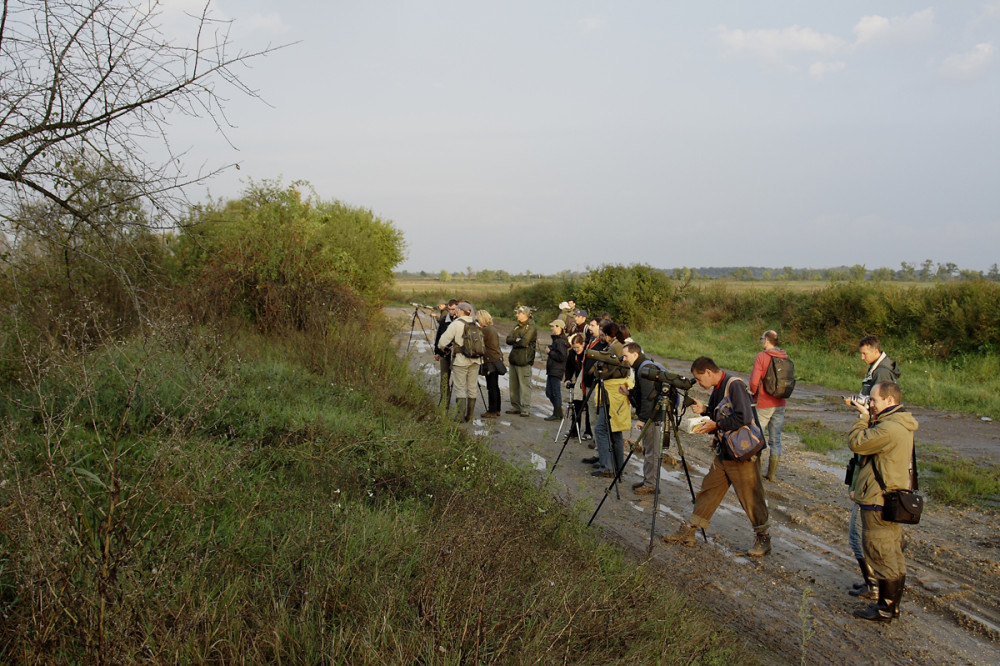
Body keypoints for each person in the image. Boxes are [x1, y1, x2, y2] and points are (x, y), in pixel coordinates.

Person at [664, 357, 771, 557]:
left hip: (743, 454)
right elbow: (719, 416)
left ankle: (763, 539)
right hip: (725, 452)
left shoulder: (735, 385)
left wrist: (717, 426)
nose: (698, 383)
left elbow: (743, 417)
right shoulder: (717, 388)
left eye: (699, 378)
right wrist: (704, 410)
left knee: (751, 496)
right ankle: (690, 531)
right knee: (708, 490)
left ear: (709, 372)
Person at [848, 381, 917, 623]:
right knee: (892, 554)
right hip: (890, 498)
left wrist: (862, 417)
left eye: (875, 400)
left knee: (880, 552)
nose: (872, 404)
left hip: (878, 498)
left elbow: (857, 442)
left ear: (890, 400)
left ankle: (885, 608)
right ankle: (890, 606)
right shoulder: (899, 424)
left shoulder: (888, 429)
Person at [843, 334, 902, 599]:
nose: (862, 357)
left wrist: (863, 415)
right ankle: (874, 586)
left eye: (865, 353)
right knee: (870, 539)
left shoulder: (884, 373)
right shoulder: (876, 370)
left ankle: (876, 589)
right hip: (872, 477)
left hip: (874, 491)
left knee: (863, 537)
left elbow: (859, 444)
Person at [622, 342, 663, 495]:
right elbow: (642, 393)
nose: (624, 359)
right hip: (651, 415)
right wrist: (629, 393)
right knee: (649, 449)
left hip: (653, 416)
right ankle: (648, 480)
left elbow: (648, 398)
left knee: (652, 450)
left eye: (626, 356)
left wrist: (642, 419)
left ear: (635, 354)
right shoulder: (641, 367)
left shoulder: (645, 369)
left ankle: (651, 484)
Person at [590, 321, 630, 478]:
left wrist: (597, 370)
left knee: (601, 429)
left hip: (612, 392)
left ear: (607, 335)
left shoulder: (614, 347)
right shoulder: (622, 345)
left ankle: (606, 466)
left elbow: (608, 371)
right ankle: (617, 466)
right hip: (618, 393)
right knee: (615, 431)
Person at [749, 330, 789, 482]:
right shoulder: (785, 356)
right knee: (775, 439)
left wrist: (752, 392)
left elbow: (754, 381)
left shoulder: (762, 357)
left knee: (757, 436)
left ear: (766, 340)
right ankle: (771, 474)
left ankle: (755, 471)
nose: (761, 341)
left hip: (764, 402)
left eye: (762, 339)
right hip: (780, 402)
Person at [436, 301, 484, 422]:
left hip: (461, 360)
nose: (455, 311)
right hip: (476, 360)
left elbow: (442, 341)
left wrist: (443, 348)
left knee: (460, 387)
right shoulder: (476, 323)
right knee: (472, 387)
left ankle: (460, 416)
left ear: (462, 311)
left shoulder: (456, 324)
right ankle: (470, 415)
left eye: (457, 310)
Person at [506, 306, 537, 417]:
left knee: (525, 385)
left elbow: (524, 342)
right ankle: (516, 407)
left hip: (524, 360)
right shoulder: (517, 326)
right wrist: (516, 340)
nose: (517, 315)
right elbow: (508, 339)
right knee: (513, 385)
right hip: (514, 359)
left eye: (519, 313)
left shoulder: (531, 327)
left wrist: (517, 341)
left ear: (525, 314)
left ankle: (525, 408)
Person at [477, 309, 505, 418]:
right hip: (496, 359)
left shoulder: (486, 330)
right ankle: (497, 409)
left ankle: (492, 410)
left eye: (478, 319)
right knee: (495, 386)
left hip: (490, 360)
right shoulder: (492, 329)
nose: (478, 321)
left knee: (491, 386)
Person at [564, 333, 591, 440]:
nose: (576, 349)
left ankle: (588, 432)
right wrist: (567, 379)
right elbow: (568, 367)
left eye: (578, 347)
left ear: (583, 344)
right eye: (574, 347)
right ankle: (574, 430)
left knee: (589, 408)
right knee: (576, 407)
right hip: (577, 384)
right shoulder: (571, 353)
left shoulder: (588, 353)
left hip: (587, 382)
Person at [433, 299, 459, 406]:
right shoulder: (444, 320)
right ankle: (445, 402)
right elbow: (438, 337)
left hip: (457, 355)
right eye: (449, 309)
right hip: (444, 353)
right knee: (444, 378)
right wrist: (437, 352)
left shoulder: (460, 321)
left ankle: (459, 406)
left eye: (453, 309)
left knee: (458, 381)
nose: (451, 312)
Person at [544, 319, 568, 421]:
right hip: (553, 369)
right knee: (549, 392)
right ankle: (557, 412)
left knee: (554, 392)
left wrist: (550, 352)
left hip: (556, 370)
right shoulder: (557, 340)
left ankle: (558, 413)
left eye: (553, 326)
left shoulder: (560, 341)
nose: (552, 328)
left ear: (559, 327)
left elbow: (562, 357)